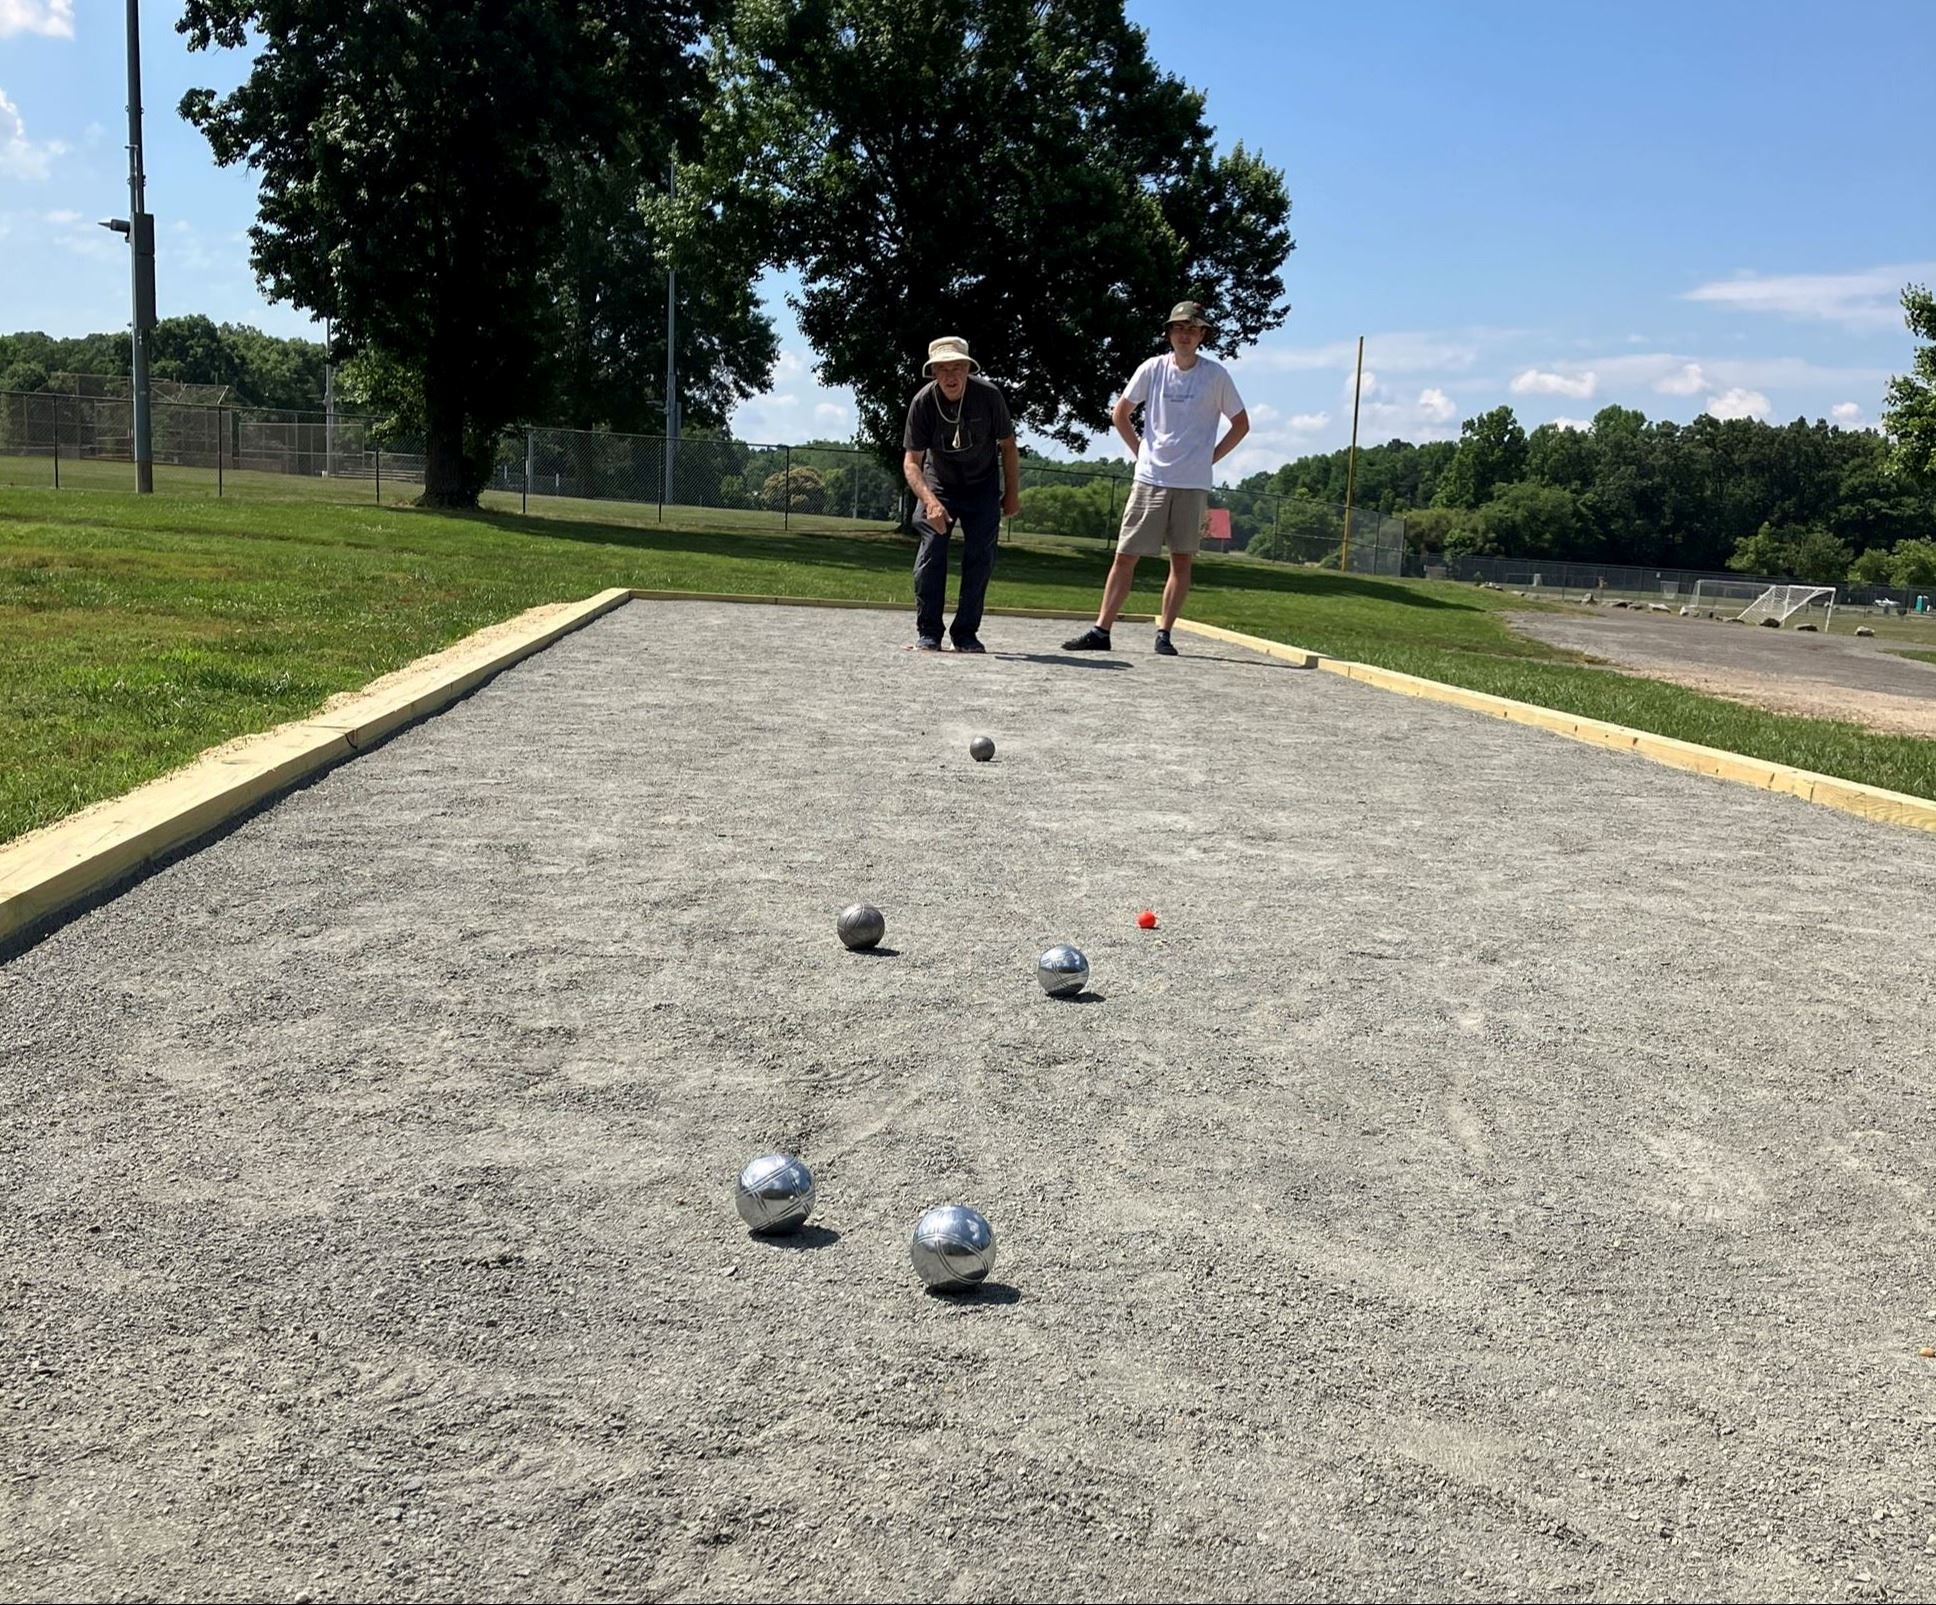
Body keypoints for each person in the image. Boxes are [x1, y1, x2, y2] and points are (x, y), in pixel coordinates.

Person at [1063, 301, 1249, 656]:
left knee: (1182, 559)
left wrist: (1209, 459)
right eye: (1179, 327)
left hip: (1192, 483)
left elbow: (1241, 424)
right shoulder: (1152, 369)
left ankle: (1164, 633)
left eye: (1193, 329)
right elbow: (1121, 413)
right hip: (1150, 478)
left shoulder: (1216, 376)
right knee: (1125, 555)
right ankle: (1101, 630)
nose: (1185, 334)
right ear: (1169, 333)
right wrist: (1141, 453)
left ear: (1202, 336)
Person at [901, 336, 1021, 652]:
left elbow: (1008, 447)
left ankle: (966, 632)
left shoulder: (989, 397)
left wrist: (1012, 493)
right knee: (932, 550)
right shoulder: (923, 403)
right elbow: (912, 462)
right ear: (933, 372)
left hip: (982, 485)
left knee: (980, 556)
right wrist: (930, 502)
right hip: (938, 484)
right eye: (943, 369)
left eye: (957, 367)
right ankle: (928, 631)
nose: (951, 376)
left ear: (968, 368)